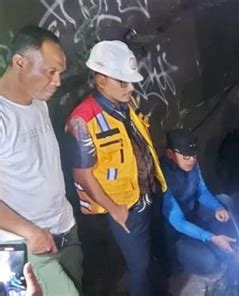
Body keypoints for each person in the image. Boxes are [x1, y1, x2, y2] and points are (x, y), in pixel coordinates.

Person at [65, 40, 167, 296]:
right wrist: (116, 210)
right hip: (122, 208)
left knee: (147, 259)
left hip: (144, 196)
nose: (131, 87)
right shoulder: (83, 120)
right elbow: (82, 174)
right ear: (100, 79)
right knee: (138, 266)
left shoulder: (125, 105)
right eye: (122, 81)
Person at [0, 26, 82, 295]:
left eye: (60, 72)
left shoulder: (39, 104)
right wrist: (31, 232)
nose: (57, 81)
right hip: (30, 246)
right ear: (20, 62)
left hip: (65, 230)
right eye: (50, 71)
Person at [161, 128, 236, 275]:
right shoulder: (162, 177)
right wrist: (210, 238)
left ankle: (222, 242)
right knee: (208, 262)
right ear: (170, 154)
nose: (192, 160)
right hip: (177, 233)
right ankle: (191, 252)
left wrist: (217, 207)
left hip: (193, 216)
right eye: (187, 157)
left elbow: (201, 191)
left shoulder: (192, 164)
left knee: (224, 201)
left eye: (194, 156)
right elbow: (178, 222)